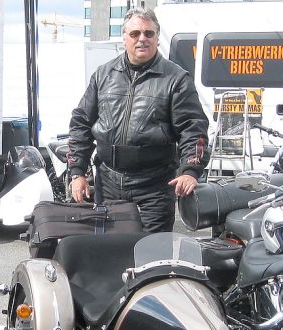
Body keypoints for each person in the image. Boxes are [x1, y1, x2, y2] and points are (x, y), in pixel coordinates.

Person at [67, 8, 209, 233]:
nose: (142, 39)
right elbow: (81, 123)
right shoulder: (103, 75)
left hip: (155, 186)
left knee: (152, 256)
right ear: (125, 38)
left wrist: (190, 171)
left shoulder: (177, 80)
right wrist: (77, 172)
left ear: (156, 37)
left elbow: (194, 129)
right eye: (135, 34)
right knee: (111, 253)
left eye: (148, 34)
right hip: (109, 183)